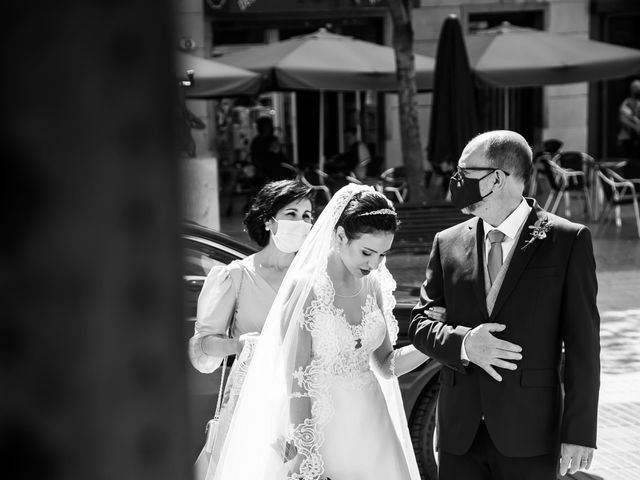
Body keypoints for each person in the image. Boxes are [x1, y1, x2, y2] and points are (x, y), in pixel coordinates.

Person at [409, 130, 600, 480]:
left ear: (497, 178)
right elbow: (420, 324)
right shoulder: (447, 242)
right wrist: (464, 343)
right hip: (458, 435)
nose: (456, 181)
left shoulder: (567, 240)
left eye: (465, 173)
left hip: (531, 433)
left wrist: (579, 432)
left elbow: (583, 345)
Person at [213, 184, 429, 480]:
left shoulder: (373, 285)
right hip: (323, 430)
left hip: (371, 426)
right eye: (367, 252)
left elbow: (386, 365)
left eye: (382, 254)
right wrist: (305, 454)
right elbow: (296, 381)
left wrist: (431, 345)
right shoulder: (305, 289)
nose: (374, 263)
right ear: (340, 236)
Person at [189, 180, 315, 477]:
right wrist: (239, 345)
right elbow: (201, 346)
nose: (302, 223)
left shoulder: (314, 277)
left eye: (308, 216)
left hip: (302, 400)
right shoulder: (235, 275)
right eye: (292, 214)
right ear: (270, 221)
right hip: (250, 401)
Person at [250, 116, 291, 184]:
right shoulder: (258, 142)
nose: (271, 128)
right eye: (268, 126)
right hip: (269, 174)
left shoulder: (270, 139)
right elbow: (256, 158)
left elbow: (279, 154)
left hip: (276, 173)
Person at [617, 79, 640, 160]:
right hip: (628, 138)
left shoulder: (638, 103)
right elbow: (623, 117)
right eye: (636, 88)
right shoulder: (627, 102)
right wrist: (635, 124)